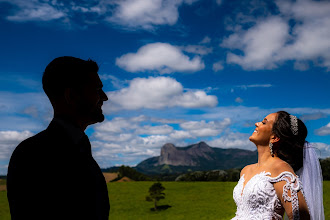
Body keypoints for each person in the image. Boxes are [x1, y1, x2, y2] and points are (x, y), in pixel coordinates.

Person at [7, 56, 110, 220]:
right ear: (71, 96)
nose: (105, 97)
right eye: (97, 89)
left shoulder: (74, 147)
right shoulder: (34, 154)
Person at [232, 111, 324, 220]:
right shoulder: (246, 170)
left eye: (264, 122)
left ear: (274, 137)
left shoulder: (280, 169)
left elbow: (301, 216)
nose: (257, 123)